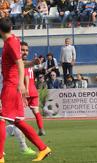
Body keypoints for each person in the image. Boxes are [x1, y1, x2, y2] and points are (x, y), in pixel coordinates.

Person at [0, 18, 52, 161]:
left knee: (1, 119)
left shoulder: (10, 43)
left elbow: (19, 64)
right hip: (13, 86)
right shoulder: (14, 39)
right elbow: (20, 62)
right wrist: (32, 63)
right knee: (19, 122)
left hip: (11, 85)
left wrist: (21, 84)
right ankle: (43, 148)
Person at [20, 42, 46, 136]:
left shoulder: (22, 63)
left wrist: (25, 90)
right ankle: (41, 129)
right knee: (36, 112)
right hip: (33, 90)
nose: (25, 52)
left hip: (25, 91)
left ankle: (19, 132)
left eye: (26, 50)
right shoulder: (30, 63)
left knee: (19, 114)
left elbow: (26, 76)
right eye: (23, 50)